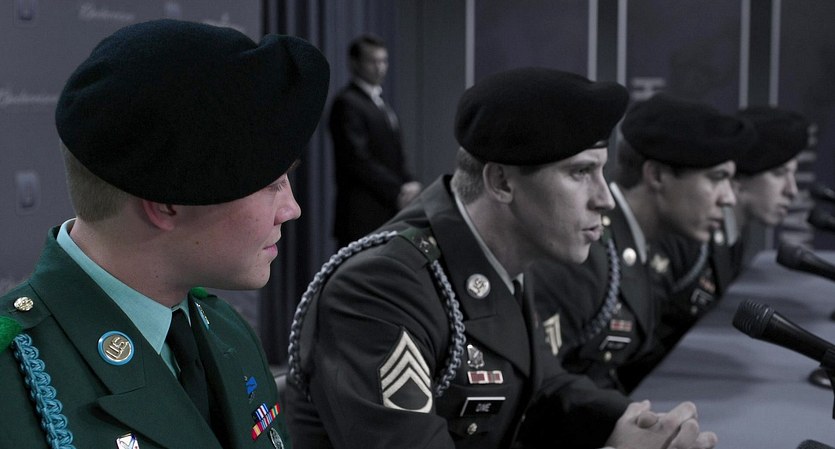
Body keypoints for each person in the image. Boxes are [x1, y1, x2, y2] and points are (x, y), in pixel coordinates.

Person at [286, 68, 716, 449]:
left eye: (601, 172)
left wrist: (635, 424)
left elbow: (542, 386)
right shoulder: (382, 289)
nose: (604, 199)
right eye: (580, 172)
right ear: (502, 183)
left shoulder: (497, 255)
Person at [0, 19, 328, 449]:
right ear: (168, 204)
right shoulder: (12, 380)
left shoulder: (227, 332)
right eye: (271, 183)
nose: (291, 208)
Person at [528, 94, 757, 393]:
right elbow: (540, 384)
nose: (728, 198)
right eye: (716, 178)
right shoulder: (585, 255)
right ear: (657, 176)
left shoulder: (639, 244)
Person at [330, 33, 422, 247]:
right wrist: (398, 190)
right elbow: (356, 159)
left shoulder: (380, 103)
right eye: (372, 61)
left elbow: (394, 152)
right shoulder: (346, 103)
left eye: (383, 61)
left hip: (387, 212)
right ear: (354, 63)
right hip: (360, 216)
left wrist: (409, 182)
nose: (380, 67)